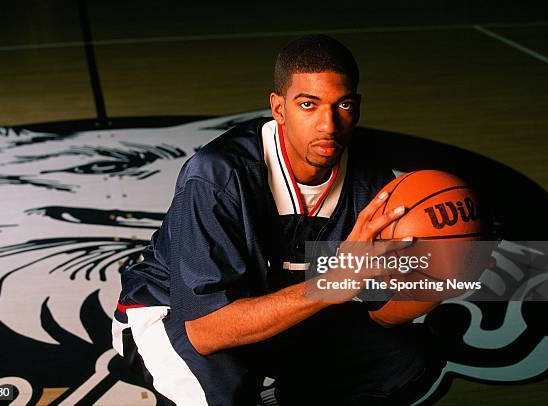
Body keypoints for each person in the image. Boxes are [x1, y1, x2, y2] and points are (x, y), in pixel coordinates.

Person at [112, 35, 444, 405]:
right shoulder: (217, 176)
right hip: (172, 316)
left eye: (343, 105)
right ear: (279, 108)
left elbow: (376, 303)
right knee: (222, 395)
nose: (328, 125)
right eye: (308, 105)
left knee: (405, 360)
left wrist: (441, 272)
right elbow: (206, 331)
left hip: (283, 307)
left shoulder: (370, 177)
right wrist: (333, 283)